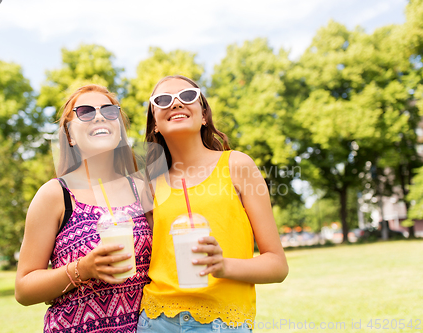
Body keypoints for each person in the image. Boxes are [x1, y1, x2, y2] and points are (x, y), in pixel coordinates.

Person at [138, 75, 288, 332]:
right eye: (163, 100)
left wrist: (223, 265)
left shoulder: (237, 166)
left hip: (222, 324)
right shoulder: (150, 184)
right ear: (155, 125)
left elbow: (277, 265)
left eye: (187, 96)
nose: (176, 104)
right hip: (155, 321)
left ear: (204, 115)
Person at [15, 84, 153, 333]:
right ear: (69, 135)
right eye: (86, 112)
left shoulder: (144, 191)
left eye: (110, 112)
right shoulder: (55, 194)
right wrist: (84, 269)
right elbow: (24, 289)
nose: (99, 116)